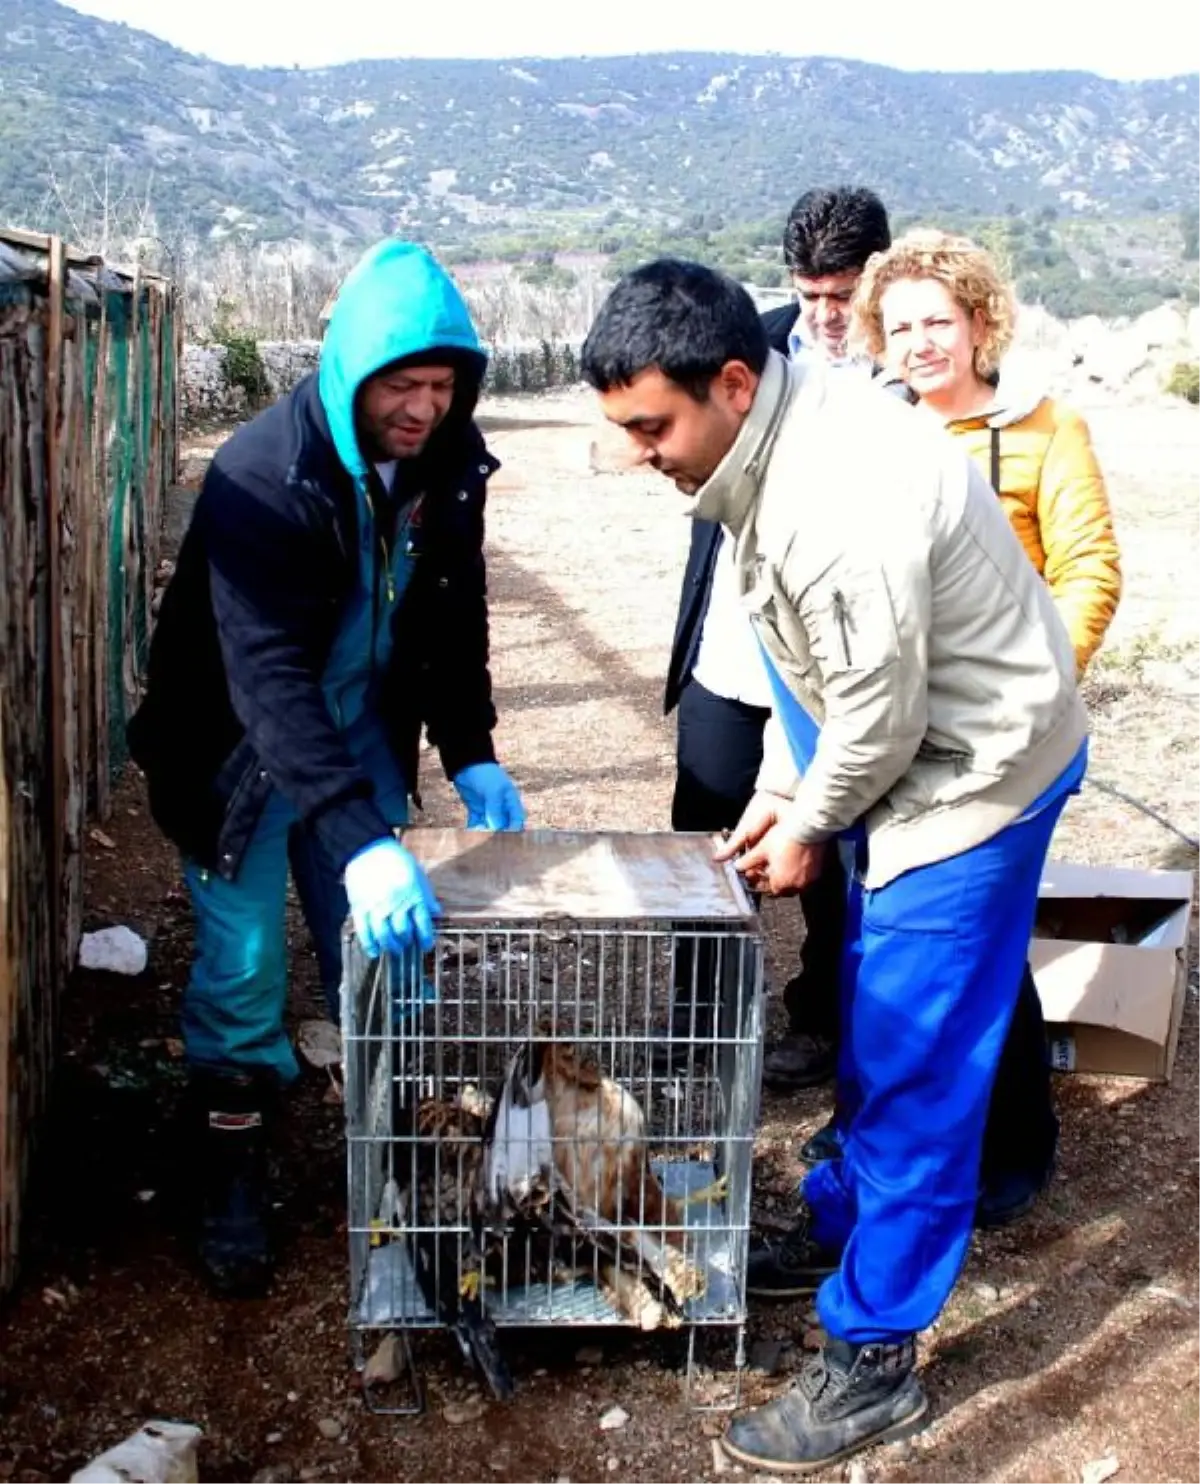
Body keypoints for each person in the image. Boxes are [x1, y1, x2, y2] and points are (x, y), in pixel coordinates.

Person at [581, 259, 1087, 1473]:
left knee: (915, 1052)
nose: (640, 452)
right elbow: (815, 668)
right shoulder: (774, 435)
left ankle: (874, 1357)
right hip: (913, 745)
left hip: (973, 775)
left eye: (653, 425)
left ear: (732, 381)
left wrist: (811, 819)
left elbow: (876, 714)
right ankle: (845, 1220)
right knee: (870, 1005)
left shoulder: (831, 497)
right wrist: (777, 790)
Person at [126, 239, 526, 1297]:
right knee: (244, 962)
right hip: (237, 750)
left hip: (360, 718)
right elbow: (264, 677)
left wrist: (472, 748)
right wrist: (360, 839)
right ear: (353, 372)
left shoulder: (447, 463)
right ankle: (234, 1161)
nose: (424, 408)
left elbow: (451, 612)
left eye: (444, 386)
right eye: (403, 383)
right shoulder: (264, 476)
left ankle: (396, 1148)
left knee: (386, 949)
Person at [847, 226, 1121, 1223]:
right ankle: (888, 1130)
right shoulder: (867, 431)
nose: (920, 342)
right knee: (887, 935)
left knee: (980, 942)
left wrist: (1037, 683)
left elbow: (1091, 567)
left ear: (980, 324)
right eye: (900, 323)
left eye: (938, 321)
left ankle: (1010, 1147)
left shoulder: (1045, 430)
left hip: (999, 744)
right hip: (887, 737)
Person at [662, 187, 891, 1088]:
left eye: (841, 294)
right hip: (732, 637)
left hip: (838, 656)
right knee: (705, 825)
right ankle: (706, 1029)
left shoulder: (910, 367)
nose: (826, 316)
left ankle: (825, 1026)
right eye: (811, 294)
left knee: (834, 841)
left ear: (877, 275)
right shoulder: (747, 346)